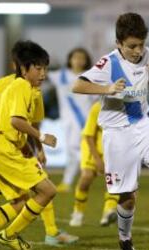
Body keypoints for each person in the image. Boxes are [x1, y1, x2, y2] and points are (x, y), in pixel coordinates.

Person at [72, 13, 149, 250]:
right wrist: (107, 88)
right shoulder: (109, 64)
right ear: (118, 43)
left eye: (141, 44)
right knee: (127, 199)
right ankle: (125, 241)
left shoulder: (145, 54)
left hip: (143, 125)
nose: (138, 51)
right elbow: (78, 85)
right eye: (132, 46)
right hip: (117, 135)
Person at [0, 41, 78, 248]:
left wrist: (35, 148)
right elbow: (9, 118)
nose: (43, 74)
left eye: (45, 68)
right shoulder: (16, 85)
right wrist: (40, 139)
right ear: (21, 67)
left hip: (6, 145)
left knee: (20, 199)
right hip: (2, 146)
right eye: (38, 68)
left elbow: (31, 121)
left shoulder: (34, 90)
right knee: (46, 190)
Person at [48, 48, 97, 193]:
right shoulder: (60, 75)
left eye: (82, 58)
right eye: (75, 57)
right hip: (67, 121)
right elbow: (40, 75)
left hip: (85, 121)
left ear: (86, 60)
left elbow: (96, 100)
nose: (78, 60)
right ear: (70, 59)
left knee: (74, 150)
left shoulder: (90, 77)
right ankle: (80, 176)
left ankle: (75, 178)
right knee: (74, 151)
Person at [69, 101, 119, 227]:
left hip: (112, 149)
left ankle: (108, 213)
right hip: (92, 146)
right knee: (87, 177)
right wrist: (97, 159)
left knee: (113, 181)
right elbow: (88, 135)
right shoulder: (98, 107)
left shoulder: (127, 108)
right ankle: (77, 213)